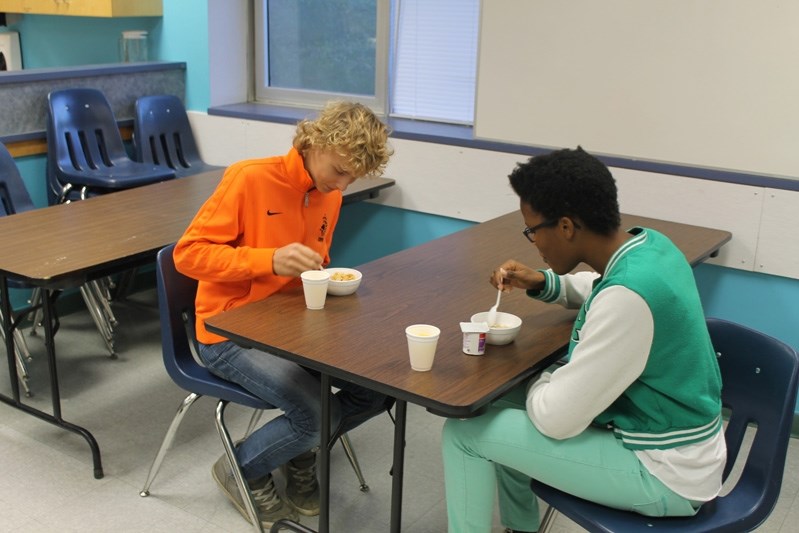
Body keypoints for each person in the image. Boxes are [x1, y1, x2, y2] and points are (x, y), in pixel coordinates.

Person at [441, 147, 726, 533]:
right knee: (496, 403)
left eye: (532, 231)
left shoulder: (628, 299)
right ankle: (520, 529)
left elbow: (557, 419)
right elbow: (602, 285)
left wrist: (542, 375)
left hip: (665, 473)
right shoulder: (651, 247)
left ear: (565, 227)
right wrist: (544, 281)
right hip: (686, 450)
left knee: (464, 432)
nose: (534, 244)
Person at [173, 101, 394, 528]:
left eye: (353, 177)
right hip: (228, 332)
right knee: (314, 415)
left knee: (377, 390)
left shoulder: (329, 194)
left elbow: (312, 263)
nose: (342, 186)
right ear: (313, 143)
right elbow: (189, 256)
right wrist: (267, 260)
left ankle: (298, 450)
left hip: (292, 326)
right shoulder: (249, 177)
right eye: (339, 170)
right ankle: (240, 469)